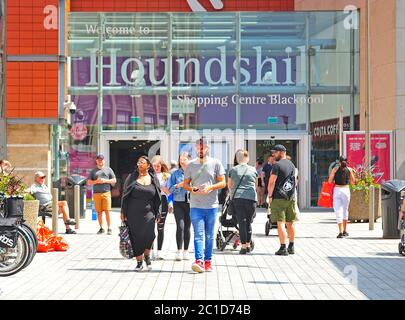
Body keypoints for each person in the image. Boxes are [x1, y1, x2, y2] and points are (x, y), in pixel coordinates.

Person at [183, 137, 226, 273]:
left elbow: (223, 183)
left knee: (209, 235)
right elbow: (185, 184)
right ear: (195, 148)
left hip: (212, 206)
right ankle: (199, 261)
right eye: (198, 147)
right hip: (195, 206)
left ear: (207, 148)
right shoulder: (190, 165)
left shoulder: (216, 163)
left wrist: (211, 187)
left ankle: (208, 261)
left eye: (203, 147)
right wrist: (192, 189)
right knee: (198, 234)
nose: (200, 149)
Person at [121, 156, 162, 272]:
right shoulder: (132, 177)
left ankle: (147, 256)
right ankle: (139, 262)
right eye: (138, 162)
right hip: (133, 213)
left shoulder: (153, 178)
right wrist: (123, 212)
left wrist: (158, 212)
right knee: (136, 237)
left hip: (149, 212)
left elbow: (158, 196)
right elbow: (125, 195)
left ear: (148, 165)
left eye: (142, 162)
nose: (140, 164)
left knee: (150, 235)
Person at [267, 145, 297, 256]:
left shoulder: (276, 166)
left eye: (275, 152)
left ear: (281, 152)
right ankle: (292, 246)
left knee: (281, 223)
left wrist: (270, 196)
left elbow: (271, 182)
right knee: (290, 223)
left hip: (279, 198)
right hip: (291, 197)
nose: (273, 155)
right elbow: (295, 182)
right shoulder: (292, 165)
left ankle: (283, 247)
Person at [228, 150, 258, 254]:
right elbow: (256, 186)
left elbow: (230, 186)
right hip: (251, 198)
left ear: (236, 158)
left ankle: (244, 246)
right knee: (248, 223)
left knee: (242, 222)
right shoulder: (253, 170)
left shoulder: (233, 170)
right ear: (248, 158)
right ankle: (248, 245)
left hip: (238, 198)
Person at [169, 152, 192, 261]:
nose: (182, 161)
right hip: (178, 202)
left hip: (191, 203)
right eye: (180, 159)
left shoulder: (194, 173)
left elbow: (197, 187)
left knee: (187, 227)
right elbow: (170, 189)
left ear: (189, 160)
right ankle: (178, 251)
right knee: (180, 226)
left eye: (184, 159)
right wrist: (179, 185)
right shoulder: (175, 173)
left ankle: (186, 251)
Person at [87, 154, 117, 235]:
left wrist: (105, 181)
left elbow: (114, 180)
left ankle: (109, 228)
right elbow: (89, 182)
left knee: (107, 211)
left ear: (104, 160)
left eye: (102, 159)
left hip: (106, 193)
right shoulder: (93, 171)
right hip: (96, 194)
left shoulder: (108, 170)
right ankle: (101, 228)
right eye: (99, 160)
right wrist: (96, 181)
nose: (100, 161)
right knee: (99, 212)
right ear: (96, 161)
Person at [328, 156, 356, 238]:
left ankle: (340, 232)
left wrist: (334, 179)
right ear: (346, 161)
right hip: (346, 190)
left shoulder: (335, 169)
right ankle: (345, 231)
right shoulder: (350, 170)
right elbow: (353, 182)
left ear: (339, 162)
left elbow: (329, 181)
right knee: (345, 210)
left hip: (337, 190)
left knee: (338, 211)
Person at [151, 155, 171, 260]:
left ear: (162, 165)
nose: (156, 168)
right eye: (154, 166)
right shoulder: (149, 175)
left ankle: (159, 251)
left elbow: (169, 192)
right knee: (150, 228)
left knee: (160, 228)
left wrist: (161, 187)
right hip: (151, 202)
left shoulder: (166, 176)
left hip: (162, 201)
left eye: (158, 165)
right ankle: (150, 251)